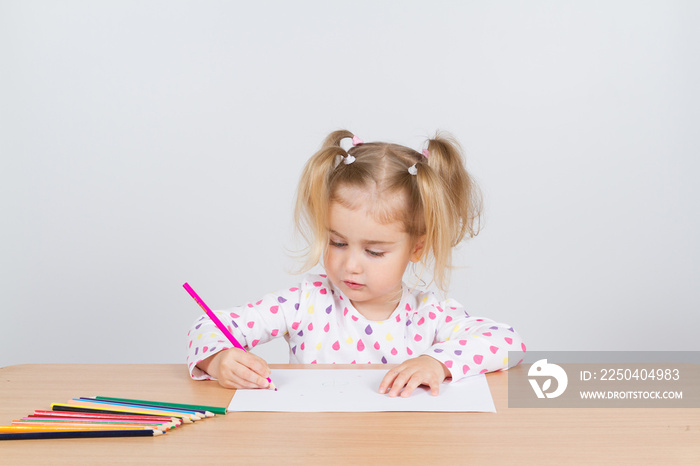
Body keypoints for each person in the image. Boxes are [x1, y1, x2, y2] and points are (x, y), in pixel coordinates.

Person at [186, 130, 525, 398]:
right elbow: (208, 326)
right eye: (337, 243)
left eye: (374, 251)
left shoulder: (429, 315)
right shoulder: (305, 303)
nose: (350, 265)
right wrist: (218, 360)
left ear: (417, 248)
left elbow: (508, 342)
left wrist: (436, 363)